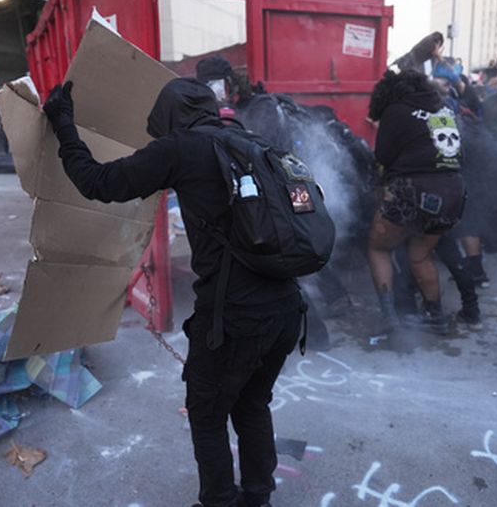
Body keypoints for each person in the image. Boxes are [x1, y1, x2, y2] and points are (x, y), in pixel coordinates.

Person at [43, 78, 304, 507]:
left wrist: (63, 124)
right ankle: (258, 497)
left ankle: (220, 501)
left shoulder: (182, 148)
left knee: (207, 412)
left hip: (234, 317)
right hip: (287, 306)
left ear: (168, 117)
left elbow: (98, 183)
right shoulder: (250, 143)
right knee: (252, 402)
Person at [367, 69, 466, 334]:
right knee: (420, 254)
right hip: (453, 192)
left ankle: (389, 319)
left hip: (412, 190)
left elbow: (383, 157)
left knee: (379, 248)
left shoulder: (396, 110)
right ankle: (435, 316)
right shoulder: (445, 110)